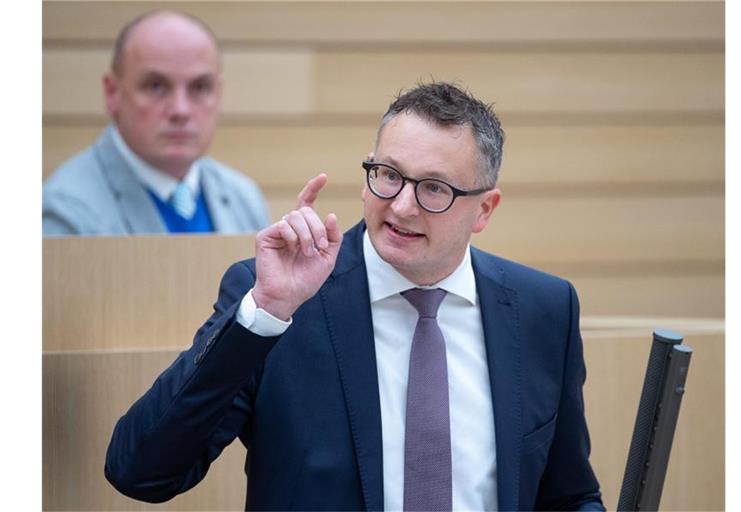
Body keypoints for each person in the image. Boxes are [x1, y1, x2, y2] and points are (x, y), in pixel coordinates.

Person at [105, 82, 604, 510]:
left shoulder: (543, 309)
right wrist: (266, 313)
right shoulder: (281, 302)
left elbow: (568, 495)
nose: (402, 206)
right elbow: (141, 472)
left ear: (485, 210)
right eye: (388, 175)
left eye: (434, 188)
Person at [42, 10, 270, 236]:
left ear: (219, 94)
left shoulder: (245, 199)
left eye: (200, 87)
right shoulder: (64, 212)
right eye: (155, 86)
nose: (180, 110)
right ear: (112, 93)